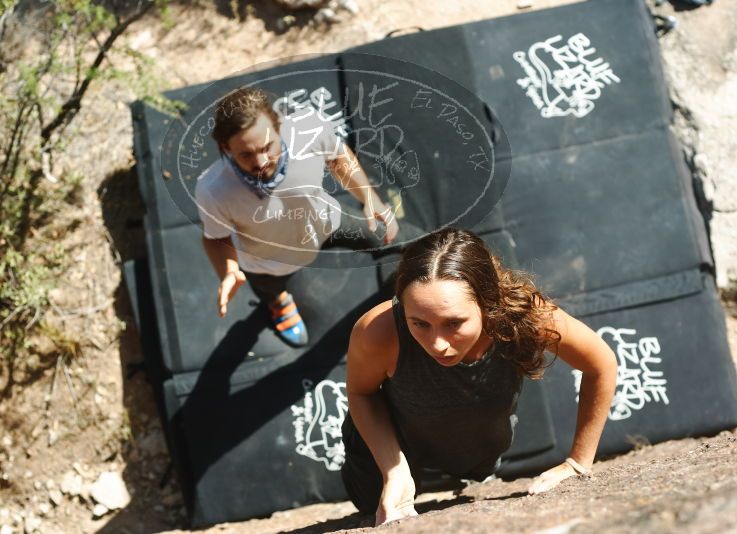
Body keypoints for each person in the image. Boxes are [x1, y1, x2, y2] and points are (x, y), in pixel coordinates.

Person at [340, 227, 618, 526]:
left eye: (454, 323)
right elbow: (361, 392)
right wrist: (393, 472)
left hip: (477, 451)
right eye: (419, 323)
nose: (438, 343)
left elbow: (601, 364)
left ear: (488, 303)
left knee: (479, 458)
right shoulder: (376, 330)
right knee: (371, 500)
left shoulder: (525, 314)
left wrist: (578, 463)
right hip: (395, 446)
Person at [195, 87, 402, 347]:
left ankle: (419, 253)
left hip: (326, 222)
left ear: (279, 126)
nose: (260, 162)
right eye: (245, 154)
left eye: (267, 147)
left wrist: (370, 197)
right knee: (270, 290)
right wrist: (229, 270)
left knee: (392, 236)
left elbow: (338, 158)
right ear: (226, 148)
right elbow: (215, 237)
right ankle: (279, 302)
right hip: (268, 263)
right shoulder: (213, 189)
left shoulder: (310, 128)